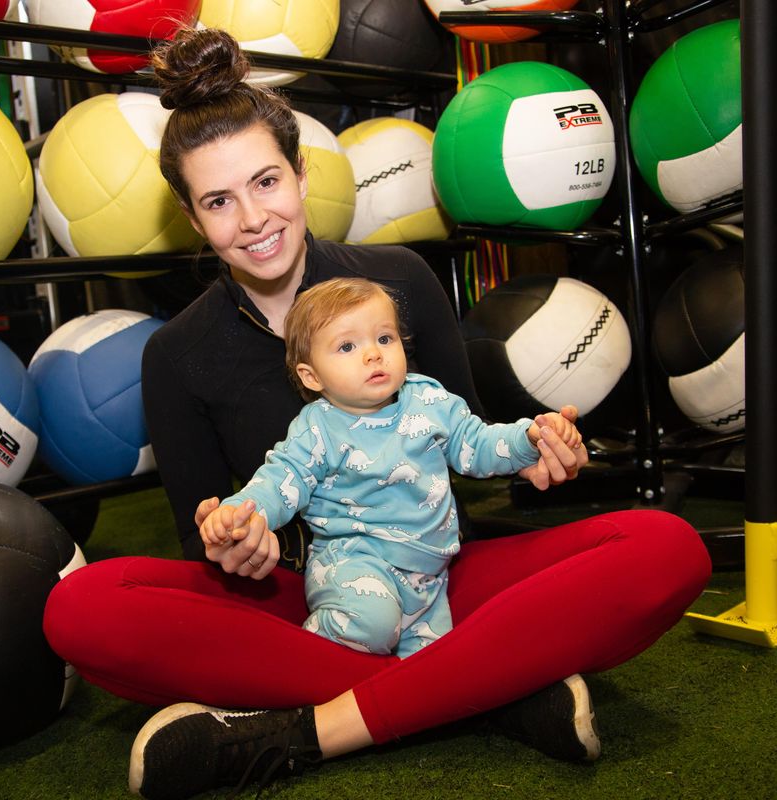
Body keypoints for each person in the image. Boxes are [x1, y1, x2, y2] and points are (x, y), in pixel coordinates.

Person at [41, 26, 712, 800]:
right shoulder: (176, 353)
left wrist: (539, 445)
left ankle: (306, 732)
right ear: (194, 220)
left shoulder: (400, 281)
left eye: (266, 182)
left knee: (666, 548)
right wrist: (237, 540)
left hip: (436, 568)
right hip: (304, 594)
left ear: (299, 173)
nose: (254, 219)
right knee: (81, 608)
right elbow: (203, 542)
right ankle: (488, 685)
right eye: (219, 201)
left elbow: (469, 449)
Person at [200, 277, 581, 658]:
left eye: (384, 338)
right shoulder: (317, 429)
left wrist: (531, 438)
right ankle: (302, 655)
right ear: (311, 376)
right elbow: (280, 479)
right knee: (372, 624)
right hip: (353, 563)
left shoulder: (429, 400)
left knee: (435, 672)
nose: (373, 354)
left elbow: (477, 444)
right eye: (347, 346)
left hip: (429, 578)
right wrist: (239, 513)